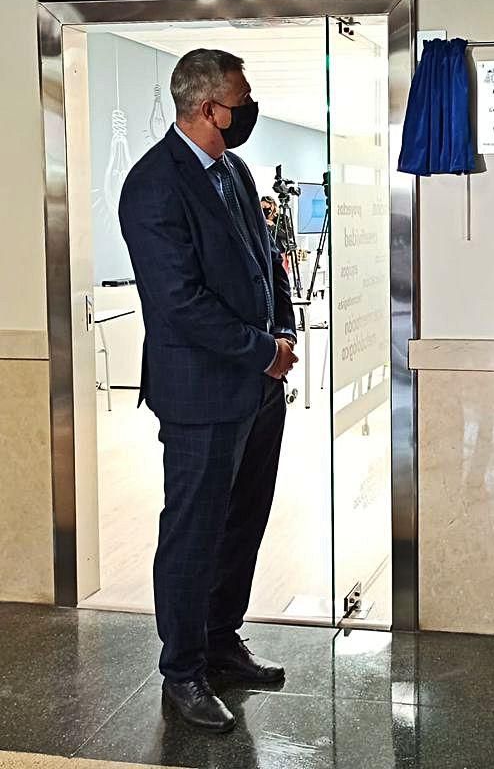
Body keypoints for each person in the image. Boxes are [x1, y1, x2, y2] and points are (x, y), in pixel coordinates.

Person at [119, 49, 299, 734]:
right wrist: (262, 351)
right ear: (204, 107)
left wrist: (281, 328)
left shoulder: (235, 169)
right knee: (193, 532)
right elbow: (179, 302)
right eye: (240, 101)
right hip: (200, 394)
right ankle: (183, 671)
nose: (248, 112)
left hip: (256, 390)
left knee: (242, 522)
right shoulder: (153, 185)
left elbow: (264, 266)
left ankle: (222, 640)